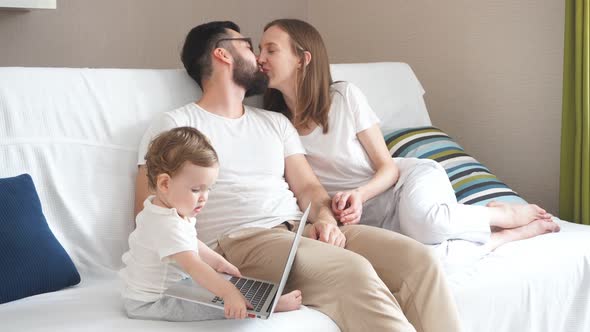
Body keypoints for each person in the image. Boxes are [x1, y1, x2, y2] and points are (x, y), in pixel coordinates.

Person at [134, 21, 463, 332]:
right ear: (222, 53)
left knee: (418, 261)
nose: (260, 59)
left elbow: (308, 186)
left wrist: (324, 218)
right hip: (239, 243)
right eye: (249, 46)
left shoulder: (275, 123)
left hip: (300, 230)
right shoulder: (174, 125)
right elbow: (148, 211)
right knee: (352, 272)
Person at [258, 18, 560, 254]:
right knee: (431, 260)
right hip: (361, 216)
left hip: (402, 184)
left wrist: (360, 194)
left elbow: (387, 167)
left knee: (428, 225)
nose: (260, 58)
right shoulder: (276, 125)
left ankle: (502, 216)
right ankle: (505, 237)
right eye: (260, 50)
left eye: (271, 49)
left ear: (303, 58)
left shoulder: (343, 97)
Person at [120, 127, 302, 321]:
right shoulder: (166, 225)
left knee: (213, 285)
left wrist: (218, 261)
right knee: (217, 304)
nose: (204, 198)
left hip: (170, 288)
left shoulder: (165, 210)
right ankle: (269, 306)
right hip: (152, 303)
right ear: (165, 184)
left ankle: (257, 298)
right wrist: (229, 293)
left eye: (208, 189)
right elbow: (194, 266)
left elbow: (190, 242)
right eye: (196, 189)